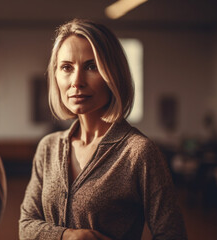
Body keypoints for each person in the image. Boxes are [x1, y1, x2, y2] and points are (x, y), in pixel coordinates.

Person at [19, 19, 187, 240]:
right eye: (67, 67)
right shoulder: (48, 147)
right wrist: (69, 236)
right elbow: (26, 227)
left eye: (91, 66)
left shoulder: (139, 152)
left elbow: (172, 235)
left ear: (113, 74)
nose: (76, 81)